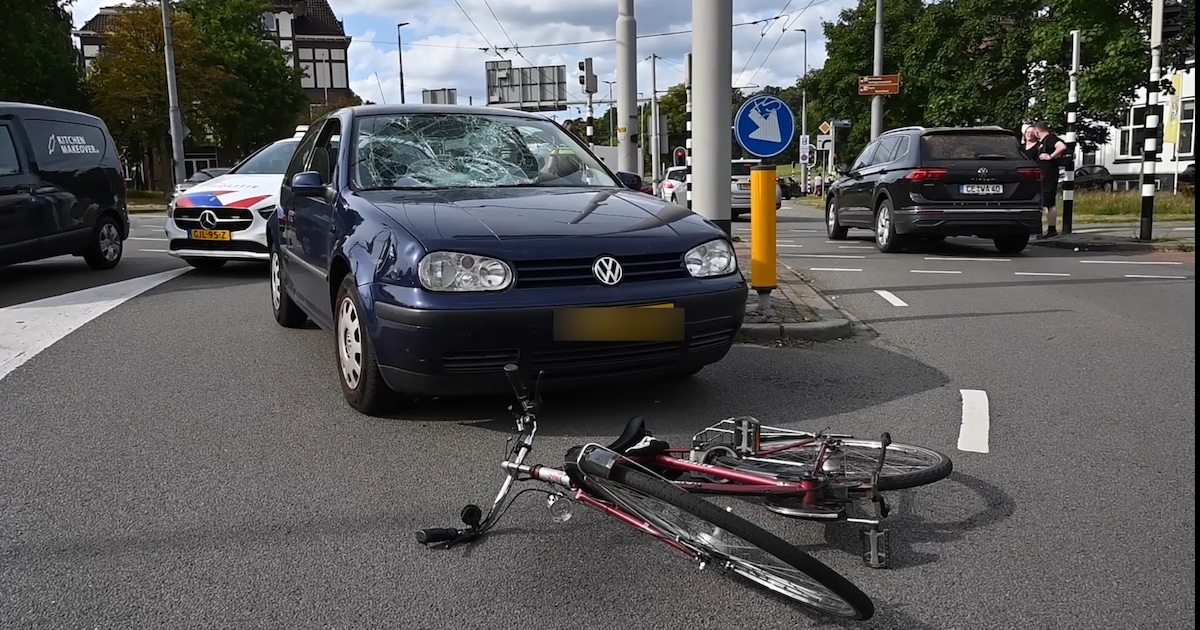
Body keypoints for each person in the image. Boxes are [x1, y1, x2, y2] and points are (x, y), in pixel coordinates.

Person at [1031, 121, 1068, 239]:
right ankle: (1048, 229)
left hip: (1049, 176)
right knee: (1046, 202)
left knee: (1049, 203)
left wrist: (1050, 156)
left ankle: (1052, 229)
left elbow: (1062, 146)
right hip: (1045, 176)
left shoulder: (1050, 139)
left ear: (1037, 131)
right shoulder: (1043, 142)